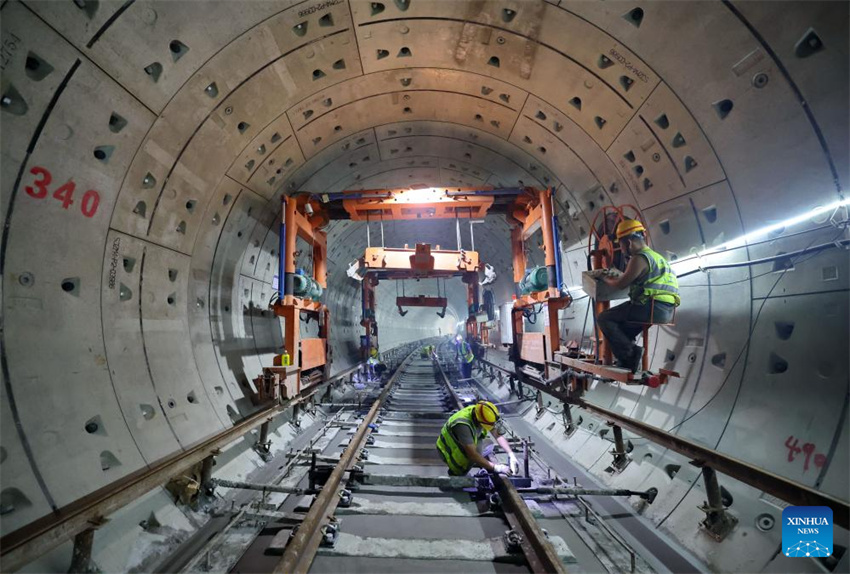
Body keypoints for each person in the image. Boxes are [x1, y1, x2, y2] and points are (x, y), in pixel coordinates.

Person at [598, 219, 681, 372]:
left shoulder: (639, 258)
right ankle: (628, 355)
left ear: (628, 242)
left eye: (620, 245)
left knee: (604, 318)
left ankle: (631, 355)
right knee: (622, 330)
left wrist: (604, 277)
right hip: (667, 311)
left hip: (649, 307)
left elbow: (621, 284)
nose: (621, 250)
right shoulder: (658, 258)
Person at [436, 401, 520, 476]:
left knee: (488, 444)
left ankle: (480, 462)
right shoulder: (462, 425)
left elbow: (497, 435)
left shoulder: (480, 412)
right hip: (447, 450)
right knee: (471, 458)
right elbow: (472, 455)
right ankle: (457, 474)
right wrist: (496, 467)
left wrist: (511, 455)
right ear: (477, 419)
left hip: (462, 443)